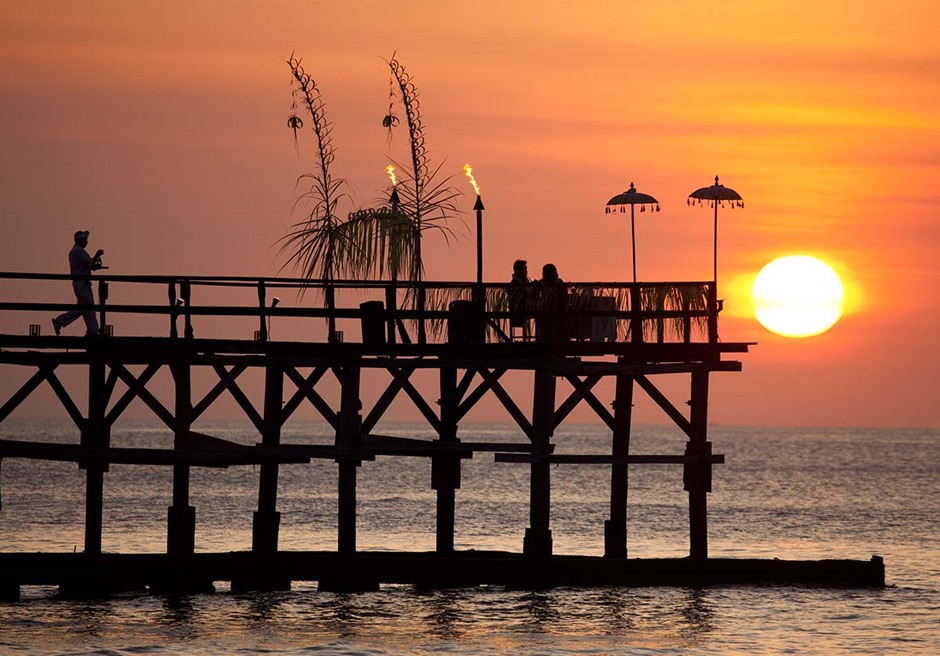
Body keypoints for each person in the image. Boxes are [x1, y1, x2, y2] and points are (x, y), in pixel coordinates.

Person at [52, 230, 104, 336]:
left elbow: (91, 265)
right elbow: (91, 263)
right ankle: (60, 321)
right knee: (85, 307)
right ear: (81, 240)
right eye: (85, 240)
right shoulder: (79, 252)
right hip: (82, 284)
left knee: (88, 307)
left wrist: (95, 262)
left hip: (81, 284)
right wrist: (97, 254)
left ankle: (93, 331)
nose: (86, 242)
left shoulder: (75, 251)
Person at [508, 259, 532, 340]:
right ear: (517, 270)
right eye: (524, 269)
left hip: (526, 308)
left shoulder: (525, 282)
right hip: (518, 310)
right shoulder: (515, 284)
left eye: (526, 269)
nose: (526, 271)